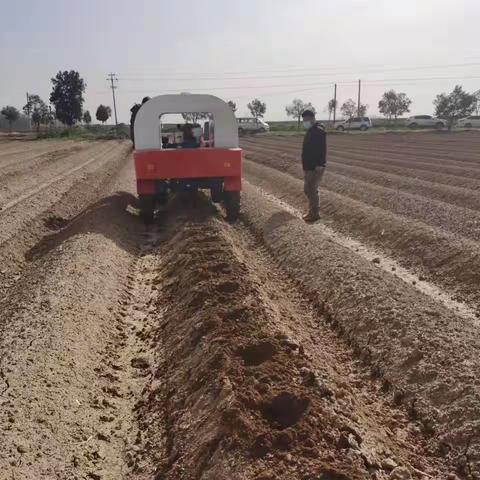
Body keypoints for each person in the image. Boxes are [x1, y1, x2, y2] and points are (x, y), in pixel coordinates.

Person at [301, 109, 327, 223]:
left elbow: (321, 149)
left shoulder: (318, 131)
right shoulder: (311, 130)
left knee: (311, 189)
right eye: (303, 120)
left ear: (312, 118)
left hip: (315, 166)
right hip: (309, 166)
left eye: (306, 120)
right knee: (308, 189)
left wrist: (320, 164)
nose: (304, 122)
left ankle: (314, 214)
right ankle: (313, 211)